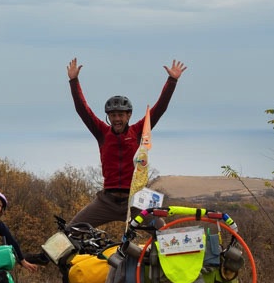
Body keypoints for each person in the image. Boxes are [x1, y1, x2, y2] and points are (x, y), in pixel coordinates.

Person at [66, 58, 187, 228]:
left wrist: (172, 81)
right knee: (71, 230)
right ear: (109, 116)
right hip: (106, 201)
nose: (117, 119)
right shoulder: (102, 132)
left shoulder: (137, 131)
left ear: (128, 115)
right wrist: (74, 81)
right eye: (113, 115)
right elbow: (82, 109)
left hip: (135, 200)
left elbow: (159, 109)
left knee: (162, 231)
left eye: (121, 115)